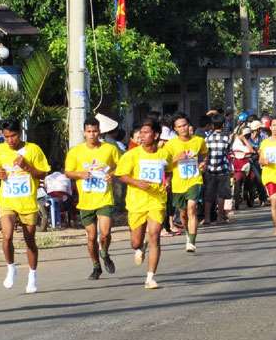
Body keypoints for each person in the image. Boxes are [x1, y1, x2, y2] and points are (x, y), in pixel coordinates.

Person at [0, 120, 51, 293]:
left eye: (13, 136)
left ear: (20, 133)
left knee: (29, 240)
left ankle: (32, 275)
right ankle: (11, 267)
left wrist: (27, 166)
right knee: (7, 235)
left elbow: (43, 173)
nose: (10, 140)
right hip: (7, 200)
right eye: (6, 136)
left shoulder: (33, 149)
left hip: (27, 202)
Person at [116, 118, 172, 289]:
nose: (142, 135)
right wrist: (137, 182)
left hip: (157, 200)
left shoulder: (164, 154)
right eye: (141, 132)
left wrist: (167, 181)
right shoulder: (131, 154)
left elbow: (168, 171)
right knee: (135, 241)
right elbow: (121, 175)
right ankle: (139, 248)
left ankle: (150, 278)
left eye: (146, 132)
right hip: (136, 202)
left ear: (155, 135)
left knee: (155, 235)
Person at [64, 117, 121, 280]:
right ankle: (96, 266)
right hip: (86, 200)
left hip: (104, 197)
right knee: (90, 236)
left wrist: (112, 175)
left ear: (99, 131)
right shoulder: (75, 151)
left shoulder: (109, 149)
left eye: (95, 131)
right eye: (89, 131)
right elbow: (68, 172)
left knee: (104, 234)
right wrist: (80, 174)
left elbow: (121, 167)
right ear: (84, 132)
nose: (92, 134)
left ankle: (105, 253)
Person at [163, 113, 207, 252]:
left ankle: (192, 242)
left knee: (192, 207)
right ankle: (188, 233)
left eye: (185, 125)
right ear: (175, 129)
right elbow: (164, 164)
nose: (183, 128)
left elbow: (205, 153)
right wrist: (176, 158)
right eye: (179, 126)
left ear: (189, 125)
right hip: (178, 183)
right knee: (183, 214)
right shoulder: (170, 145)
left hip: (195, 179)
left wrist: (203, 163)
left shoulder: (199, 141)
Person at [202, 113, 232, 225]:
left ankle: (207, 218)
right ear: (223, 124)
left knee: (209, 195)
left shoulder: (207, 138)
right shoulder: (226, 138)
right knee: (221, 194)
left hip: (210, 169)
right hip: (223, 169)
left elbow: (206, 154)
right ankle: (219, 218)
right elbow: (228, 152)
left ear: (212, 125)